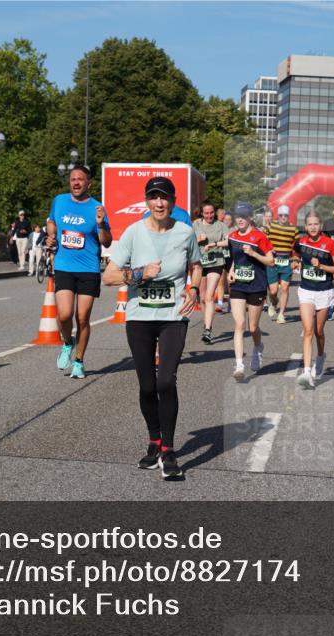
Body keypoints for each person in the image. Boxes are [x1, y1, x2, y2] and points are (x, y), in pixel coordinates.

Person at [103, 176, 201, 480]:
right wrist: (139, 273)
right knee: (146, 385)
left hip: (173, 316)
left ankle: (169, 451)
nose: (159, 203)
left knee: (166, 382)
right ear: (147, 201)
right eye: (154, 197)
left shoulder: (185, 233)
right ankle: (154, 441)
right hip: (139, 317)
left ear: (172, 202)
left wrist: (194, 288)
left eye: (164, 198)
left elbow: (196, 265)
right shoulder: (134, 233)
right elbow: (109, 276)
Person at [45, 165, 112, 378]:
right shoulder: (59, 201)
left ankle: (79, 361)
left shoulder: (97, 208)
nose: (76, 182)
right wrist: (51, 235)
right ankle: (67, 342)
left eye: (80, 179)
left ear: (88, 183)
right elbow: (51, 221)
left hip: (88, 269)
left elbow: (107, 242)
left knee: (82, 318)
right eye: (73, 179)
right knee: (64, 315)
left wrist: (101, 226)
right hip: (64, 266)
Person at [292, 211, 334, 388]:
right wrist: (295, 261)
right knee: (308, 329)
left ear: (321, 226)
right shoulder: (301, 242)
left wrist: (320, 266)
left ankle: (320, 356)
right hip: (306, 290)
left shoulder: (329, 244)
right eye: (310, 224)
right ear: (305, 227)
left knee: (318, 331)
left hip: (324, 291)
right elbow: (295, 254)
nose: (313, 227)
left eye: (316, 224)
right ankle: (306, 372)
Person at [227, 202, 275, 380]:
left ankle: (258, 347)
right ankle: (239, 365)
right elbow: (234, 259)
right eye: (238, 216)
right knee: (239, 324)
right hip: (238, 285)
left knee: (252, 327)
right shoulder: (232, 236)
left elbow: (270, 261)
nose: (240, 219)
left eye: (244, 216)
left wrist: (254, 254)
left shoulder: (259, 237)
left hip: (256, 285)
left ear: (250, 218)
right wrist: (232, 271)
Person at [192, 201, 229, 343]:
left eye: (211, 212)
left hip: (216, 262)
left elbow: (228, 241)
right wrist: (197, 239)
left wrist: (215, 244)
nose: (209, 215)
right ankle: (206, 322)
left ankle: (207, 329)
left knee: (209, 296)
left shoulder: (221, 225)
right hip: (200, 264)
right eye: (206, 213)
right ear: (202, 213)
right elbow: (188, 241)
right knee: (201, 299)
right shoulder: (196, 225)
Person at [265, 204, 300, 324]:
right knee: (273, 291)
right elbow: (263, 240)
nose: (283, 217)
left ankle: (281, 314)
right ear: (278, 216)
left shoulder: (293, 229)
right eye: (281, 215)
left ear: (288, 216)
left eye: (286, 215)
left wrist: (295, 259)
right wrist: (269, 249)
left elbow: (297, 246)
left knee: (285, 288)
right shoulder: (270, 226)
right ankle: (274, 302)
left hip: (286, 261)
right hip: (273, 261)